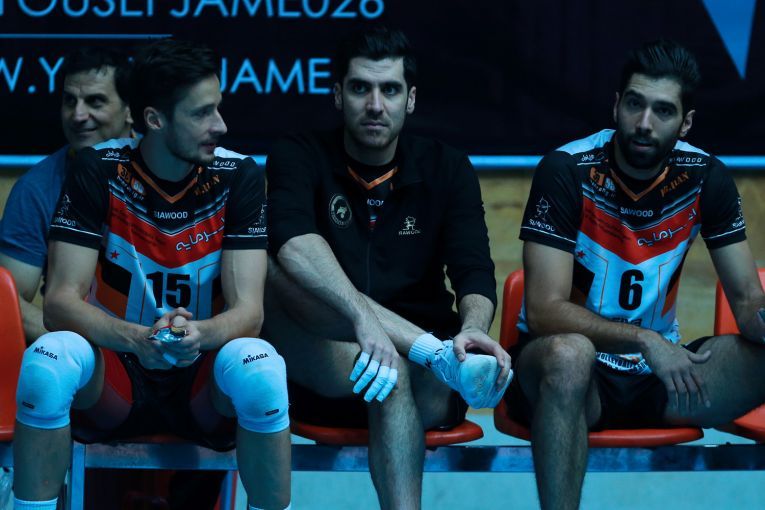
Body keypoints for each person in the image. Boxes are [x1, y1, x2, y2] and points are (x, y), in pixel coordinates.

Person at [12, 39, 292, 510]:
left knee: (261, 368)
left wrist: (200, 335)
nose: (220, 125)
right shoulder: (98, 168)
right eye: (201, 113)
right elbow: (59, 303)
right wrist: (138, 339)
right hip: (117, 373)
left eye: (218, 107)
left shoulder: (238, 175)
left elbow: (249, 314)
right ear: (155, 120)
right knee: (47, 361)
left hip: (202, 379)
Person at [508, 39, 765, 510]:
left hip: (662, 379)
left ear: (686, 123)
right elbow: (543, 311)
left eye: (663, 111)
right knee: (568, 356)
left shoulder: (706, 177)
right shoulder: (566, 169)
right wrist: (645, 341)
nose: (644, 123)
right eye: (634, 104)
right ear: (616, 106)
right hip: (572, 377)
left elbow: (748, 302)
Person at [264, 26, 512, 509]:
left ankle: (432, 355)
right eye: (361, 88)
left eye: (390, 90)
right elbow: (293, 246)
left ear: (410, 100)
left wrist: (473, 329)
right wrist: (362, 320)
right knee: (273, 268)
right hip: (327, 366)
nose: (375, 105)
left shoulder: (447, 167)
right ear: (338, 94)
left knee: (393, 369)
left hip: (425, 379)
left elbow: (474, 272)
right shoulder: (298, 153)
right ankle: (429, 352)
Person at [0, 46, 133, 345]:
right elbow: (9, 302)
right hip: (81, 352)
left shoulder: (165, 170)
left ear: (130, 109)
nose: (78, 115)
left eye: (95, 101)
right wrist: (84, 350)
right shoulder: (36, 189)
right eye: (70, 101)